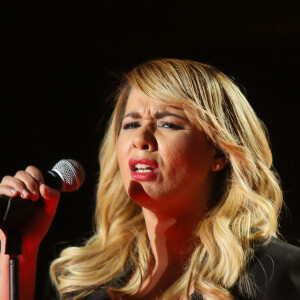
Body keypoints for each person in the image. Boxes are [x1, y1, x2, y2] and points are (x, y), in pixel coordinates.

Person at [0, 58, 300, 300]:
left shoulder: (280, 275)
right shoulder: (81, 284)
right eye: (131, 124)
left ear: (219, 153)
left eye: (168, 123)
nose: (141, 139)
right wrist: (18, 250)